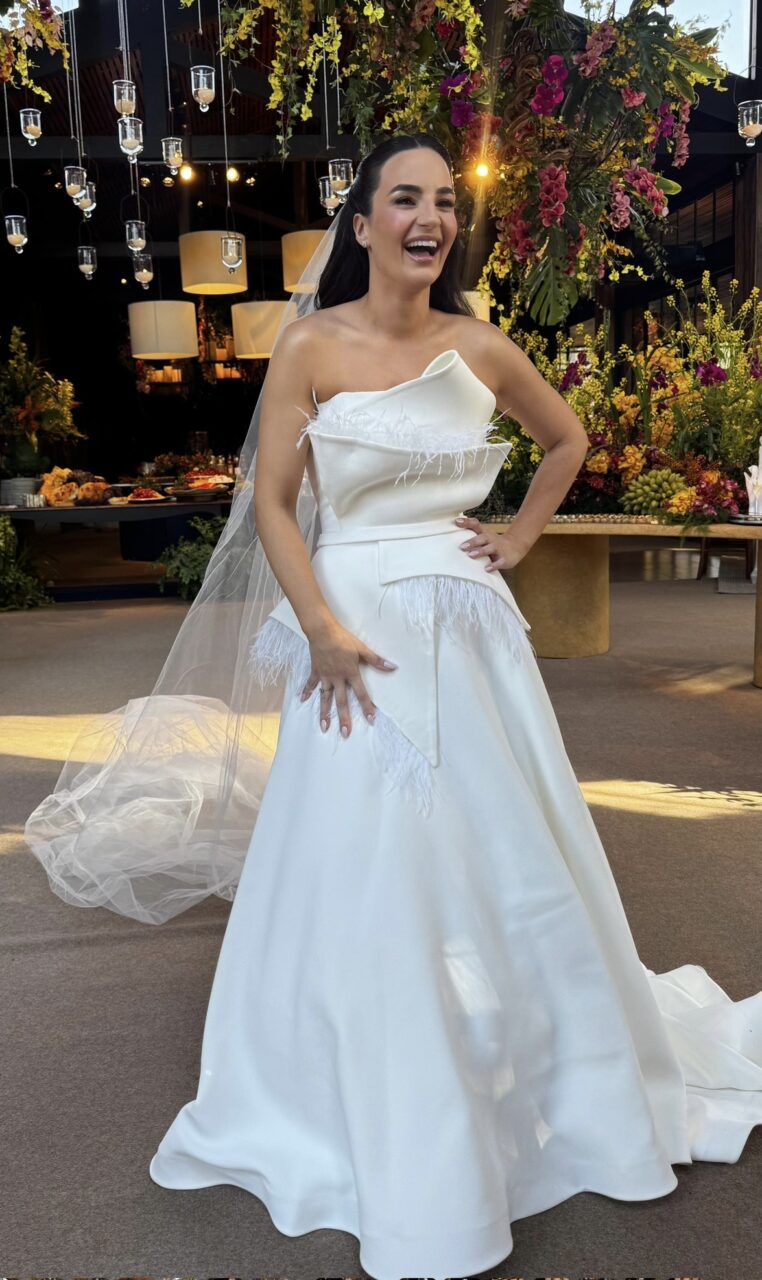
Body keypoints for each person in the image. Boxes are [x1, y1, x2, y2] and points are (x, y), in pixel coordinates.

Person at [29, 134, 762, 1280]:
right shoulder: (310, 344)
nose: (429, 217)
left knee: (504, 846)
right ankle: (370, 1079)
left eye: (444, 202)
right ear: (362, 222)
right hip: (351, 632)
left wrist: (518, 536)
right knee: (364, 855)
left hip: (468, 634)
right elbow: (276, 504)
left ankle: (535, 1065)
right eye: (405, 199)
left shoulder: (481, 345)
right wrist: (320, 624)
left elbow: (567, 439)